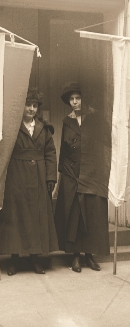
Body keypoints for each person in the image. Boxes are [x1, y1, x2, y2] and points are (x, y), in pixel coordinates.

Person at [0, 88, 58, 275]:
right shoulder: (12, 127)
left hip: (39, 177)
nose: (31, 109)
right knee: (16, 217)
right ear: (22, 107)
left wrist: (50, 177)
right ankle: (14, 261)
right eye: (28, 105)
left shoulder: (44, 128)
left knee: (36, 218)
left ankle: (35, 259)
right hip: (16, 176)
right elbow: (2, 152)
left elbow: (50, 154)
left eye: (34, 106)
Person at [54, 82, 110, 273]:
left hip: (92, 174)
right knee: (74, 216)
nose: (75, 102)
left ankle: (90, 256)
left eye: (78, 98)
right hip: (72, 175)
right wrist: (60, 176)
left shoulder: (95, 120)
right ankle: (75, 256)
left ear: (83, 100)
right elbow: (63, 151)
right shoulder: (67, 122)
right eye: (72, 99)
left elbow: (106, 144)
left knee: (92, 215)